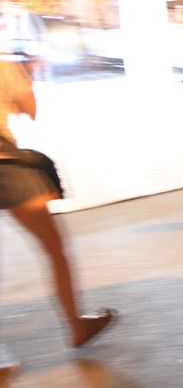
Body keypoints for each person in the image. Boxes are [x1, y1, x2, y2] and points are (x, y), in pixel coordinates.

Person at [0, 56, 115, 362]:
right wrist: (26, 78)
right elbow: (30, 110)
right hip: (5, 169)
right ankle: (77, 327)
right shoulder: (5, 67)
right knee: (55, 251)